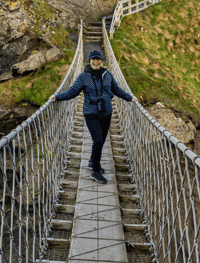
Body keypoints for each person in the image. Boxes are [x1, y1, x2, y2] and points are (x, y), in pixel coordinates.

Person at [49, 50, 137, 184]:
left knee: (100, 141)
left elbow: (117, 90)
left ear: (101, 61)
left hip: (106, 112)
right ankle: (95, 171)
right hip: (91, 113)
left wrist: (131, 98)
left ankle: (92, 161)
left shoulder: (108, 75)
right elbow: (72, 92)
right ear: (89, 61)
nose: (96, 62)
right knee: (98, 140)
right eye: (93, 59)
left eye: (98, 59)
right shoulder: (83, 77)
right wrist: (57, 97)